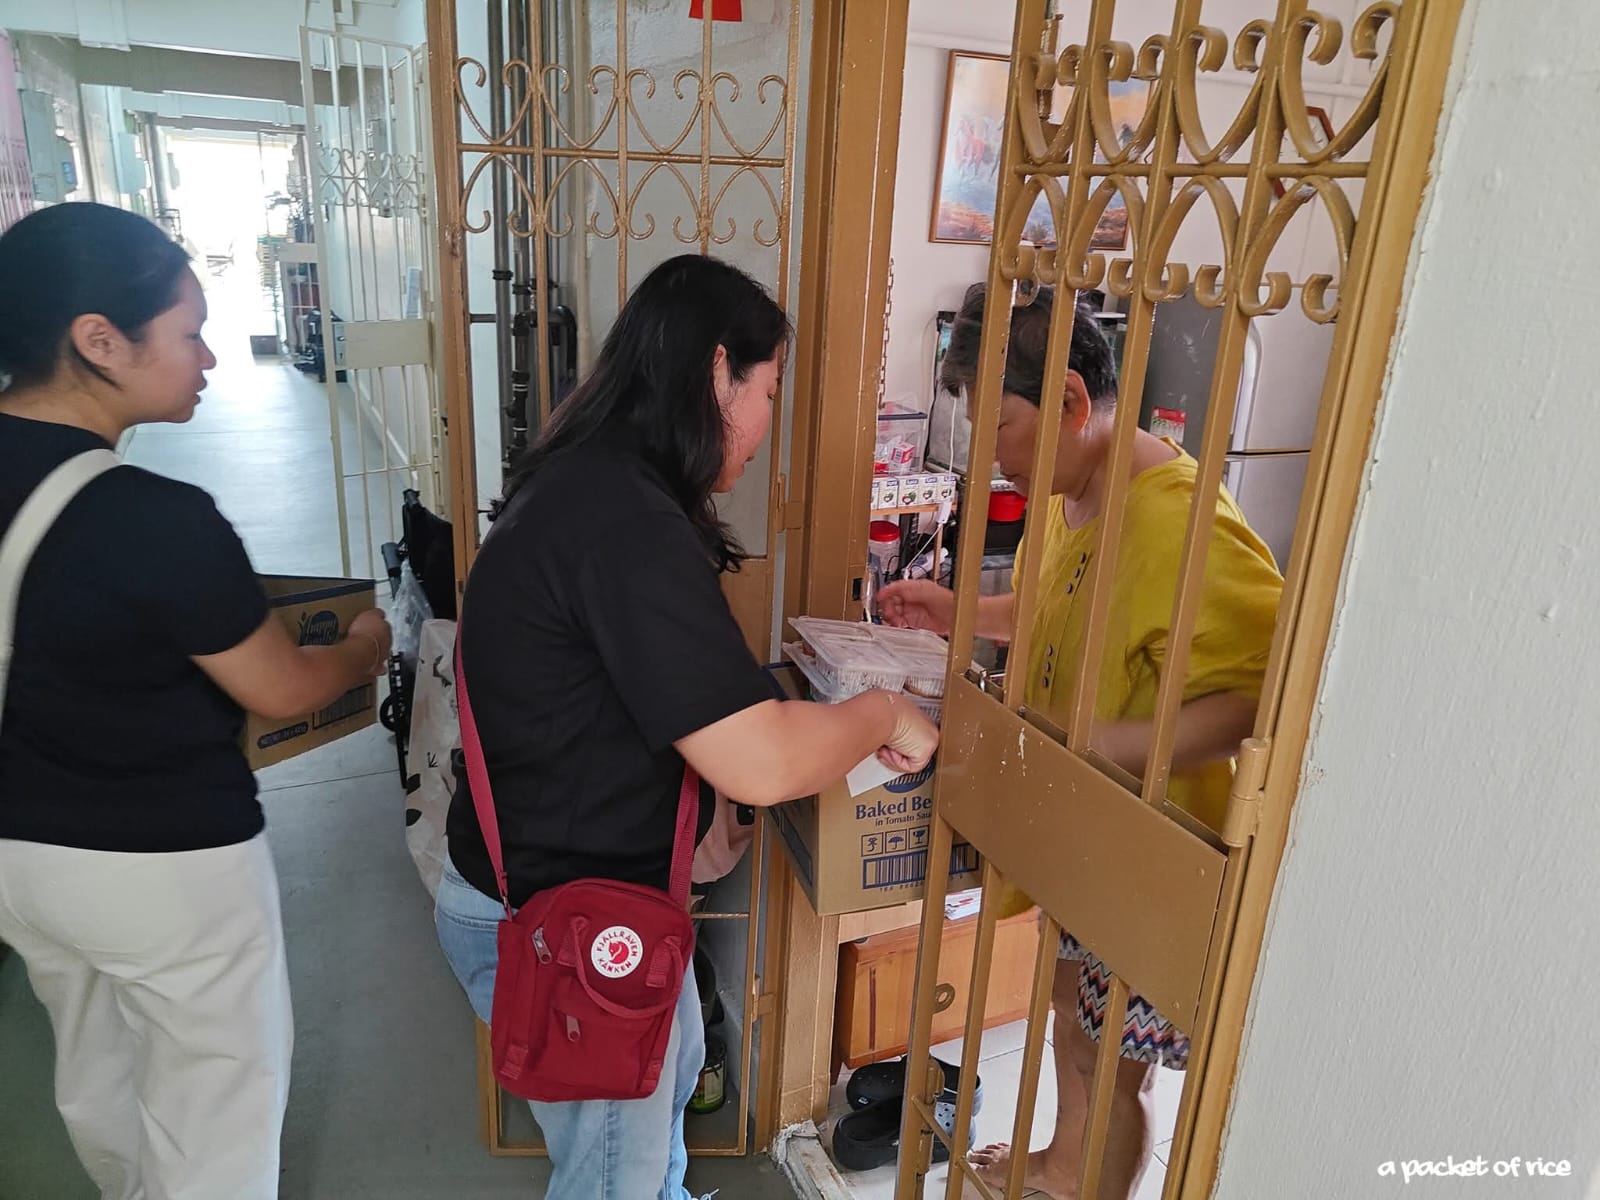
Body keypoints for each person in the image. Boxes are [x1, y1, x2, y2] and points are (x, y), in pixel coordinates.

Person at [435, 254, 939, 1200]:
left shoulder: (591, 484)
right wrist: (884, 712)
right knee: (612, 1177)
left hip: (586, 906)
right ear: (717, 370)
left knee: (657, 1112)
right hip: (567, 926)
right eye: (770, 390)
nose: (767, 422)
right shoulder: (621, 520)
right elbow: (761, 761)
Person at [0, 203, 393, 1200]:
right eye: (188, 332)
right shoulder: (152, 519)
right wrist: (360, 651)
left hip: (19, 853)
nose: (210, 357)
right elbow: (282, 686)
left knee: (95, 1059)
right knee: (218, 1099)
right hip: (165, 865)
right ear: (99, 341)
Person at [878, 284, 1283, 1199]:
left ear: (1067, 399)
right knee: (1071, 1015)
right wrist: (956, 611)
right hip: (1087, 836)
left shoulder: (1179, 519)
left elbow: (1267, 700)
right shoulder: (1073, 494)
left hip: (1151, 850)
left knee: (1110, 1064)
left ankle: (1084, 1180)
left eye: (1003, 429)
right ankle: (1063, 1167)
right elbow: (1053, 607)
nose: (994, 458)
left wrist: (1104, 740)